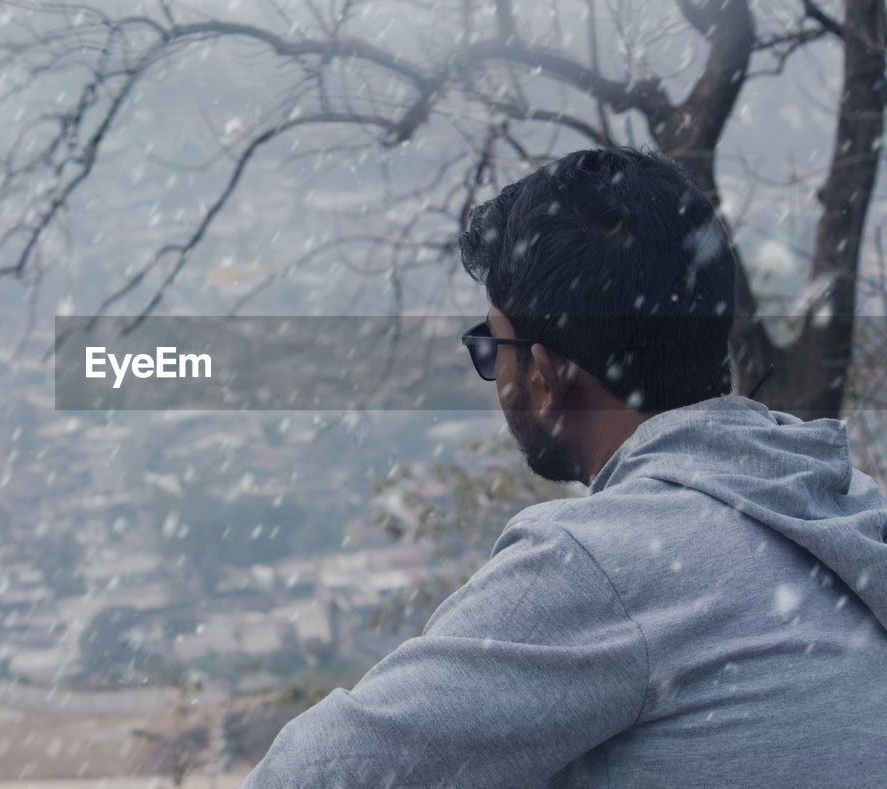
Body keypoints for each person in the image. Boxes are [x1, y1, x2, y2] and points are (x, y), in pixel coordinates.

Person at [240, 148, 887, 787]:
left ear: (546, 378)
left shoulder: (604, 564)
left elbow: (318, 774)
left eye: (496, 347)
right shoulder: (850, 506)